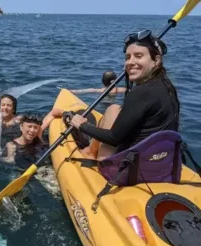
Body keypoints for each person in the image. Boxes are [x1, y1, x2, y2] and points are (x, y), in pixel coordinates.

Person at [68, 30, 180, 161]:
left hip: (133, 170)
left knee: (111, 109)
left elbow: (113, 138)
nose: (130, 62)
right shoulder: (166, 87)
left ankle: (94, 157)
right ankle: (91, 151)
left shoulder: (142, 92)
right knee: (114, 108)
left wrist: (82, 125)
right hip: (160, 163)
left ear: (156, 60)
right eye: (128, 57)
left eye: (138, 56)